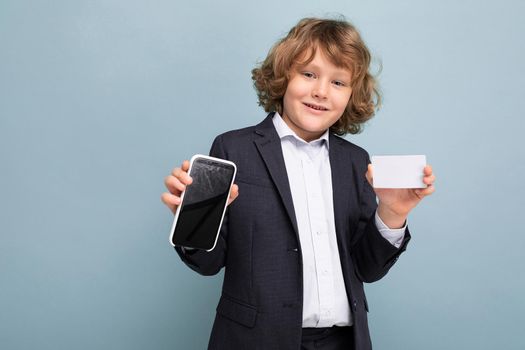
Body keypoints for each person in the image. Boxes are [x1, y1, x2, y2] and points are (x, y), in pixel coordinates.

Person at [161, 17, 435, 350]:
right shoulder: (234, 149)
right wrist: (191, 219)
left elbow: (368, 268)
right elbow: (208, 263)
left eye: (338, 82)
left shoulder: (356, 161)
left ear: (352, 94)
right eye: (308, 74)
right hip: (257, 340)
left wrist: (391, 214)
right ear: (283, 76)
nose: (321, 91)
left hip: (344, 341)